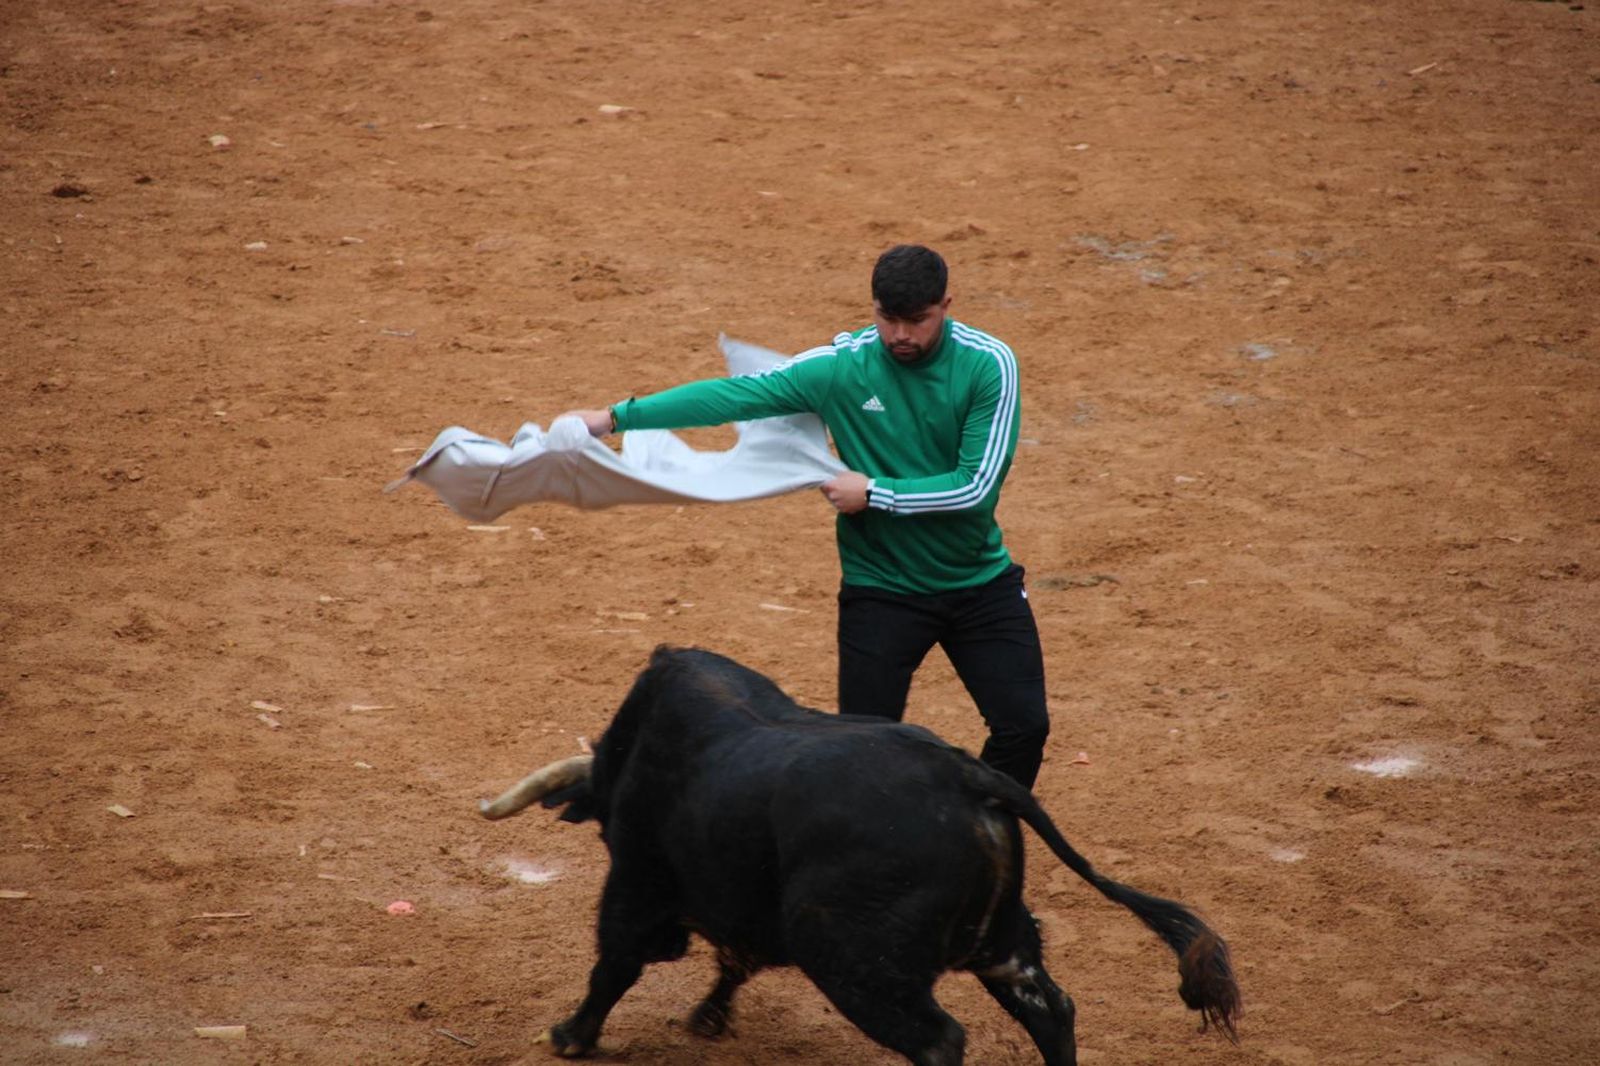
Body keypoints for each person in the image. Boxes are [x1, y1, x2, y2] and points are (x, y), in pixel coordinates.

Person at [564, 244, 1050, 787]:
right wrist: (613, 417)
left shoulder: (989, 364)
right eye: (888, 319)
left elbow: (975, 487)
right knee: (863, 756)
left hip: (979, 585)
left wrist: (877, 493)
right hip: (883, 591)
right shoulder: (841, 367)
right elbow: (733, 397)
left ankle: (978, 839)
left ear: (946, 305)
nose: (900, 337)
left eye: (917, 320)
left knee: (1024, 728)